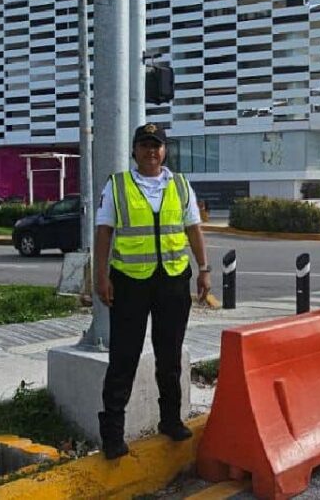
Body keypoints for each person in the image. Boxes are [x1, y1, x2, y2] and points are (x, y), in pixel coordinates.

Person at [94, 123, 210, 460]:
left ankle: (170, 420)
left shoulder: (180, 184)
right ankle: (113, 434)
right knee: (123, 358)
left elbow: (193, 229)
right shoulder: (118, 185)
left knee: (169, 355)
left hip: (173, 280)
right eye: (145, 145)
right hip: (130, 282)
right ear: (135, 151)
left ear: (165, 151)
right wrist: (101, 276)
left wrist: (204, 270)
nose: (151, 151)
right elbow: (104, 232)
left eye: (157, 145)